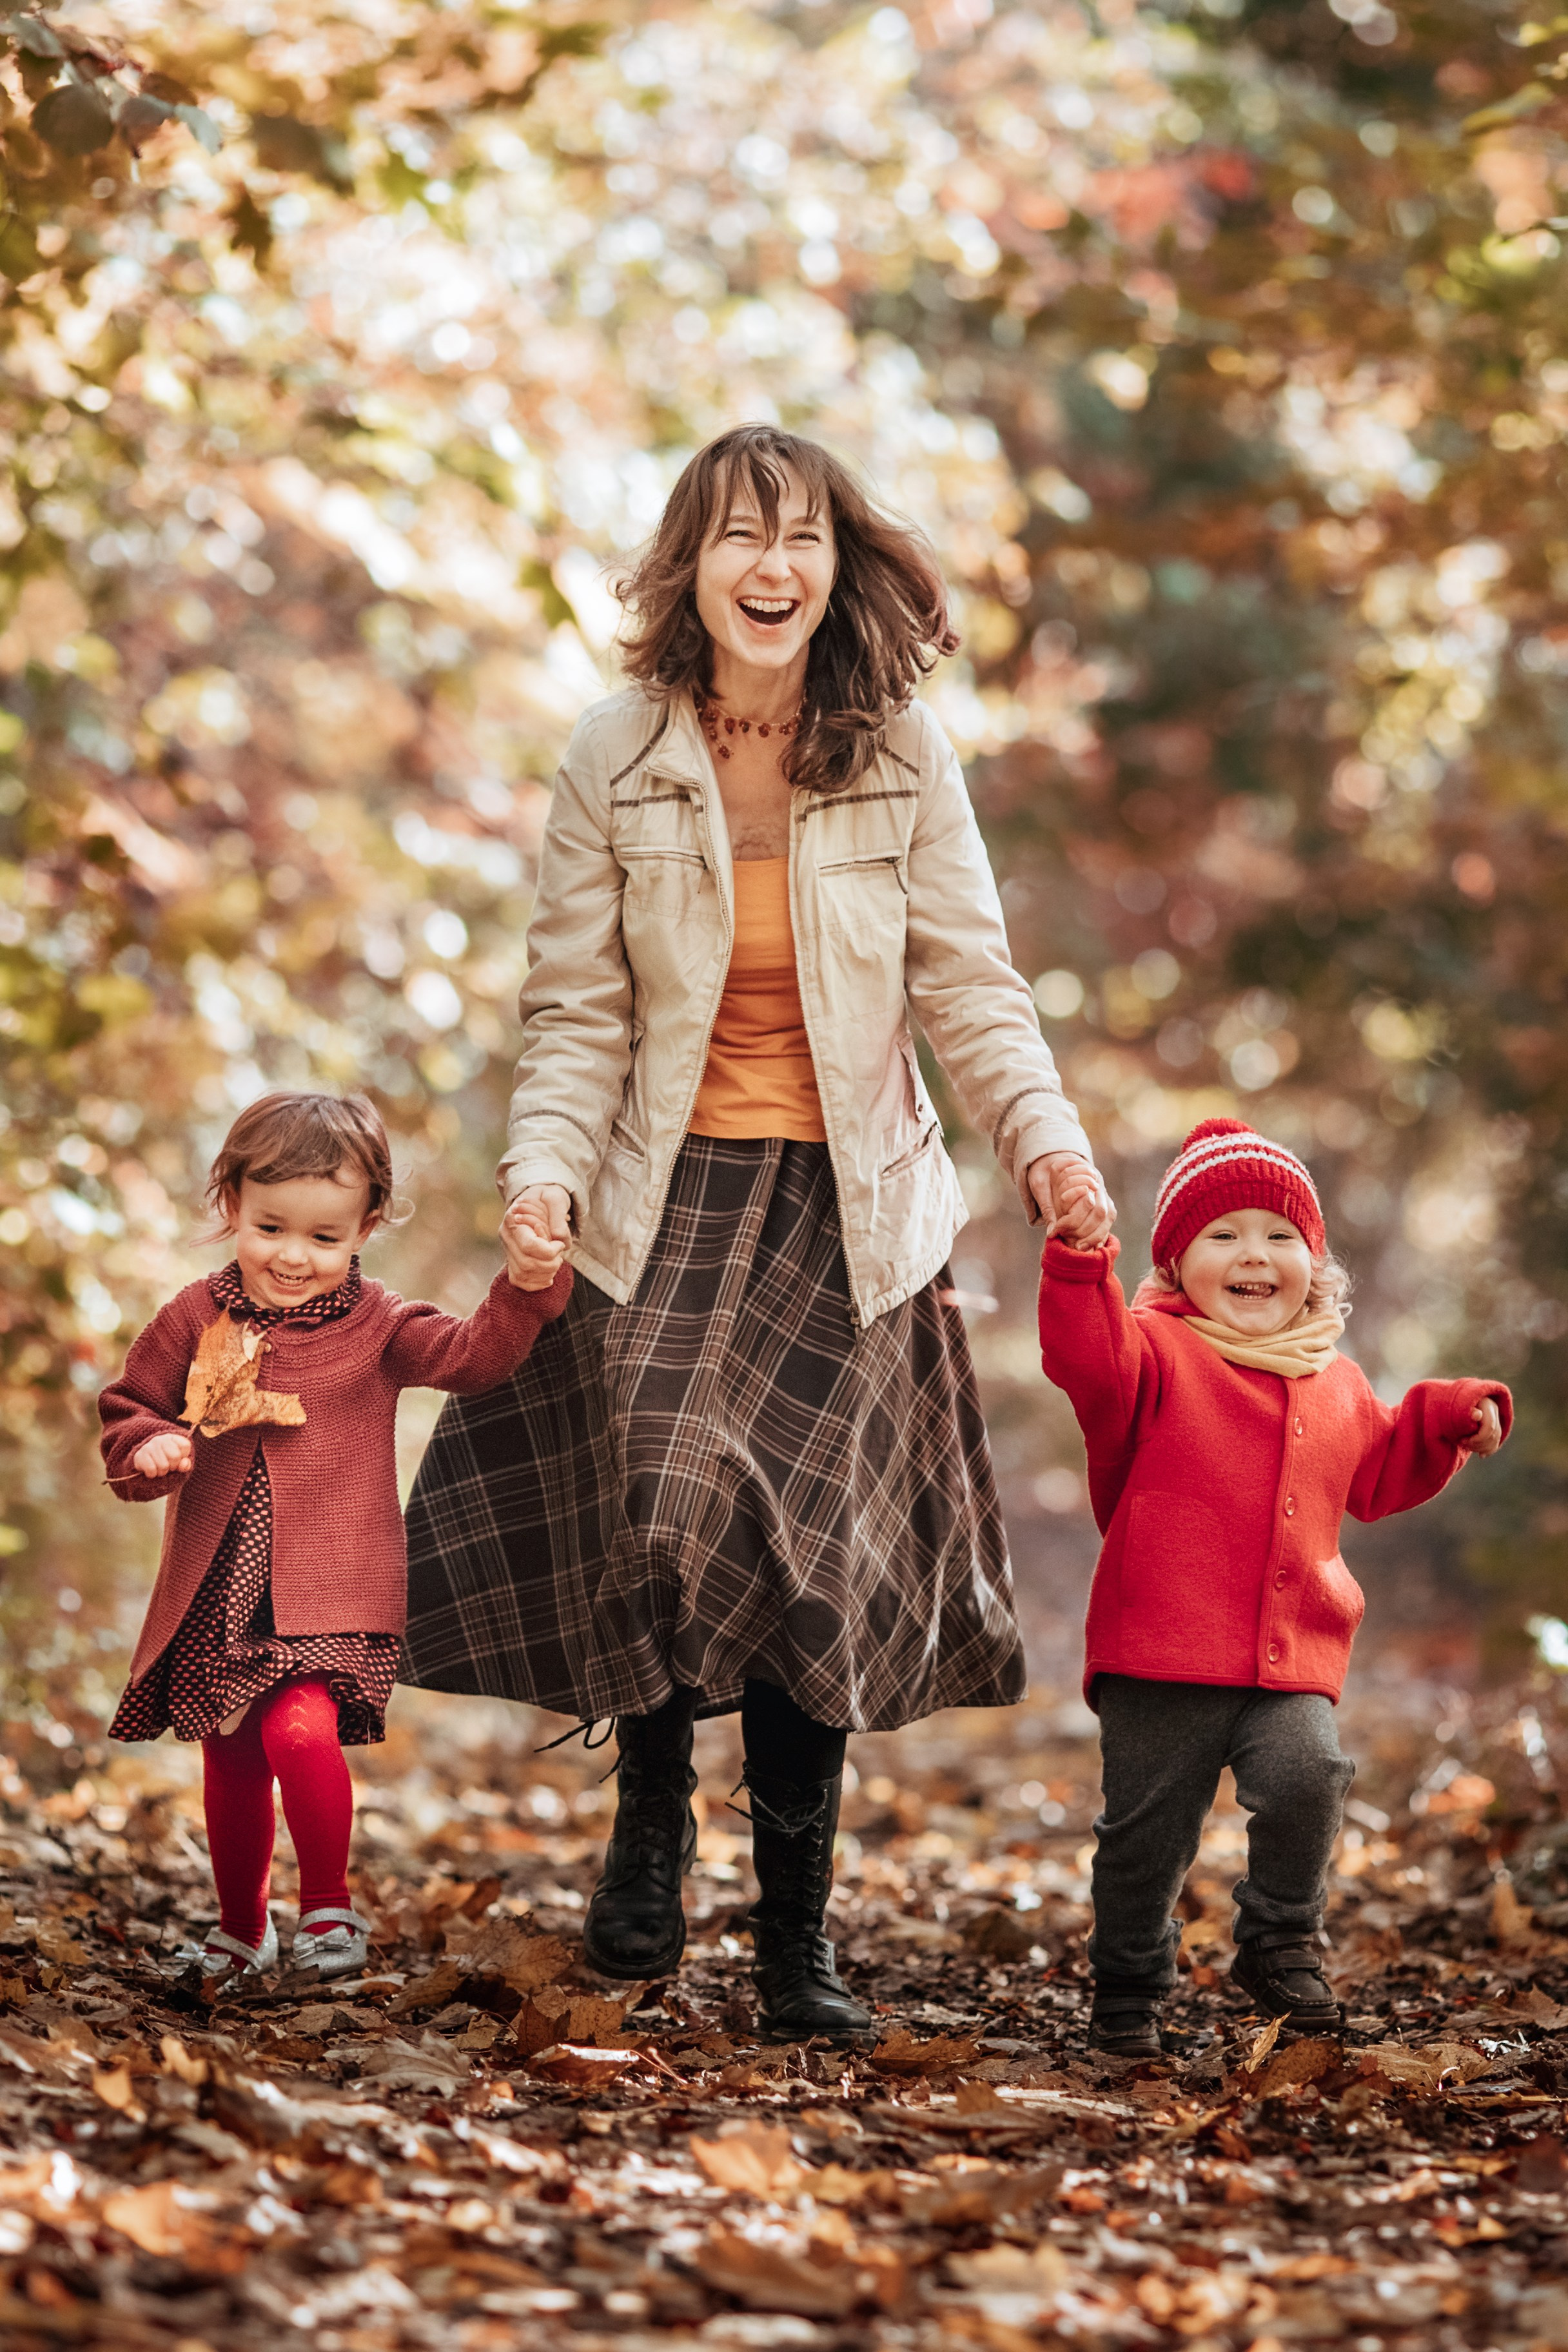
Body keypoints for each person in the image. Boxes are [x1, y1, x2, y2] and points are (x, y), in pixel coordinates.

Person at [400, 422, 1115, 2041]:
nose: (771, 566)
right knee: (657, 1506)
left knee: (812, 1570)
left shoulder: (902, 753)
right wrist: (542, 1170)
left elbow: (967, 985)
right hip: (660, 1191)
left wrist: (1049, 1148)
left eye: (799, 536)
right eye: (737, 537)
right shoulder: (614, 750)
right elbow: (576, 1006)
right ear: (692, 567)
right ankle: (653, 1809)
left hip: (852, 1206)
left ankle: (796, 1943)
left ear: (837, 565)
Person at [1039, 1115, 1511, 2057]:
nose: (1255, 1254)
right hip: (1161, 1659)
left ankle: (1278, 1937)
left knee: (1311, 1776)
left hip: (1289, 1659)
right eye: (1224, 1235)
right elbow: (1086, 1361)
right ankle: (1129, 1985)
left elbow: (1382, 1459)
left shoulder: (1334, 1379)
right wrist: (1080, 1260)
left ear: (1314, 1261)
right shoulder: (1153, 1354)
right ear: (1176, 1265)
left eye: (1279, 1235)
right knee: (1146, 1839)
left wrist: (1454, 1415)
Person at [101, 1091, 569, 1981]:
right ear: (230, 1203)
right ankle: (242, 1930)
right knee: (234, 1750)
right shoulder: (196, 1317)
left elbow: (473, 1355)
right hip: (219, 1584)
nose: (293, 1256)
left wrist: (526, 1284)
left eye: (324, 1237)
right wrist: (151, 1446)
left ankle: (327, 1912)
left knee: (303, 1733)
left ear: (368, 1226)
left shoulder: (381, 1326)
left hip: (332, 1587)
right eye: (271, 1227)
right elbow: (130, 1409)